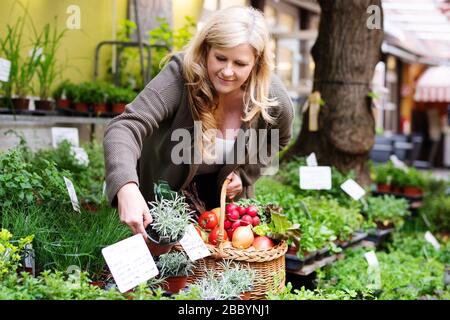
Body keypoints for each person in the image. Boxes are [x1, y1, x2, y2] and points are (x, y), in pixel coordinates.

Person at [103, 6, 294, 241]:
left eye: (240, 63)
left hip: (222, 217)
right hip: (160, 203)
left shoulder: (271, 97)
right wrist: (126, 187)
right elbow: (126, 126)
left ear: (256, 63)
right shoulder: (179, 76)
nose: (227, 71)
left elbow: (279, 138)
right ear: (206, 50)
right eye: (220, 58)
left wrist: (244, 174)